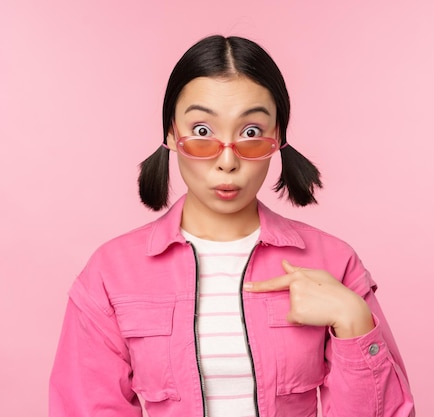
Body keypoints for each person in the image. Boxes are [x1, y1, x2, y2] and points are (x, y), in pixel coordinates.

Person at [49, 35, 415, 417]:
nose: (227, 161)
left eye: (251, 132)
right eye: (203, 132)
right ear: (172, 134)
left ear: (279, 140)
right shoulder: (111, 274)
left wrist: (354, 320)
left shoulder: (335, 262)